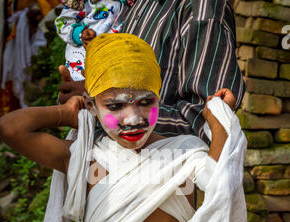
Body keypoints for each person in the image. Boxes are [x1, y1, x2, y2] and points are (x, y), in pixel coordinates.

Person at [0, 33, 247, 222]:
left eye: (146, 102)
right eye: (114, 105)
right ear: (92, 104)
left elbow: (222, 182)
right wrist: (65, 113)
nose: (133, 119)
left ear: (159, 99)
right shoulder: (88, 161)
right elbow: (9, 127)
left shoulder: (185, 155)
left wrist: (219, 120)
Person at [58, 0, 246, 144]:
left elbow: (203, 122)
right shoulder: (140, 5)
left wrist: (104, 110)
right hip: (116, 171)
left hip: (163, 180)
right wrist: (94, 92)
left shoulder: (203, 9)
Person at [55, 0, 130, 80]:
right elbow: (62, 24)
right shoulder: (81, 4)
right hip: (82, 52)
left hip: (112, 49)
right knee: (85, 81)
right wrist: (79, 34)